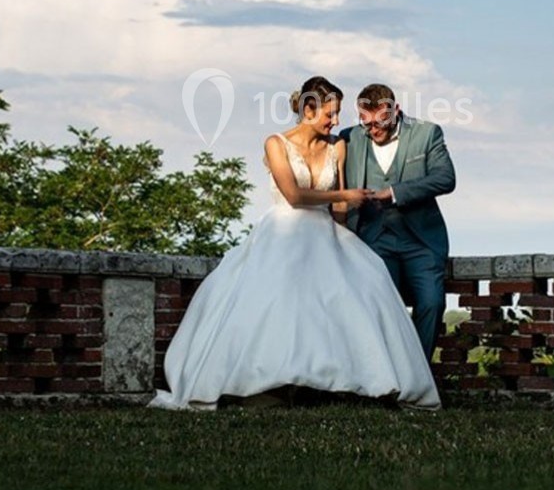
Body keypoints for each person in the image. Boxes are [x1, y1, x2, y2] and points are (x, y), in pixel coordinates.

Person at [150, 76, 440, 410]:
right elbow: (293, 194)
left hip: (326, 234)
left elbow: (341, 209)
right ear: (308, 109)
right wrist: (343, 195)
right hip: (284, 232)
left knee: (359, 287)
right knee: (276, 304)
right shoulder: (276, 143)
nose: (336, 121)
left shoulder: (337, 146)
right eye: (330, 113)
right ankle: (264, 383)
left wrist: (344, 237)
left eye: (338, 113)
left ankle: (344, 384)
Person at [340, 84, 455, 361]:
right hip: (373, 240)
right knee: (383, 307)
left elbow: (445, 178)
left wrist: (393, 193)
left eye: (380, 122)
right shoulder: (348, 139)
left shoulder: (427, 133)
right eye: (365, 122)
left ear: (395, 111)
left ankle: (419, 378)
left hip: (421, 240)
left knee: (432, 304)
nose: (373, 130)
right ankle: (388, 377)